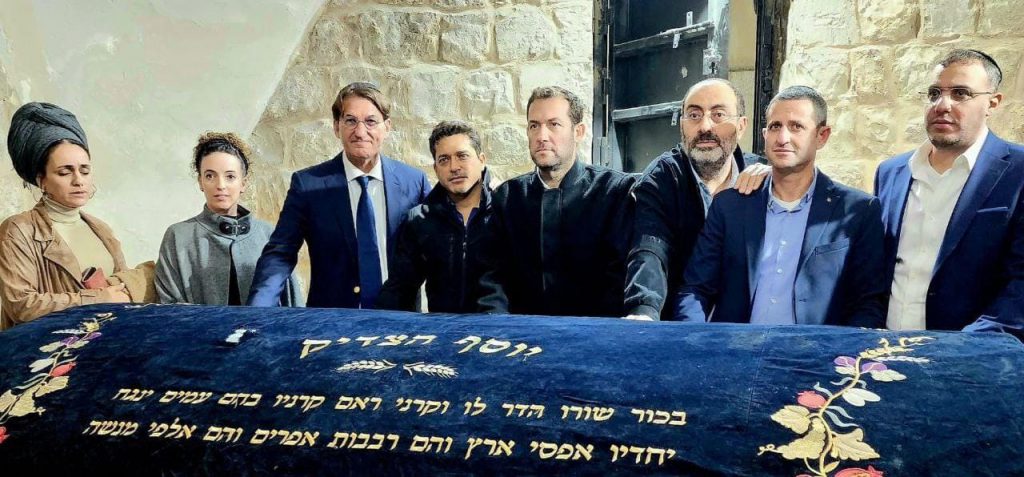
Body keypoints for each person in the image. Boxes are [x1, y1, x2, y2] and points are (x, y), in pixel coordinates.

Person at [675, 86, 886, 328]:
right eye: (775, 126)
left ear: (822, 136)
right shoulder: (730, 207)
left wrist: (839, 350)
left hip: (816, 350)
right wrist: (697, 340)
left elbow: (868, 303)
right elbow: (695, 289)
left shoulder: (857, 211)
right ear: (765, 134)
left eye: (796, 127)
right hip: (736, 347)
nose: (783, 138)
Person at [875, 49, 1024, 333]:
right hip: (885, 349)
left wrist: (964, 348)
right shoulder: (891, 173)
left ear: (992, 103)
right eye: (934, 93)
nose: (942, 105)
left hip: (973, 351)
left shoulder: (1018, 172)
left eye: (960, 93)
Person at [248, 82, 430, 309]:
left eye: (371, 121)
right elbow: (280, 254)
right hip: (332, 321)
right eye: (350, 121)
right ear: (336, 127)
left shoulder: (414, 182)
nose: (360, 132)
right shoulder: (308, 185)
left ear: (387, 127)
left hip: (400, 320)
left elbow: (438, 248)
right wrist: (257, 312)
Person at [477, 86, 636, 317]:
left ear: (578, 132)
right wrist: (499, 325)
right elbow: (492, 278)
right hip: (522, 332)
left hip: (594, 331)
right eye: (534, 126)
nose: (542, 136)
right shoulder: (507, 197)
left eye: (554, 124)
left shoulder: (614, 192)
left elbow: (622, 276)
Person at [0, 102, 154, 329]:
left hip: (105, 340)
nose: (78, 180)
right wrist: (98, 299)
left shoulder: (100, 229)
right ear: (41, 180)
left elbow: (121, 292)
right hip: (46, 346)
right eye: (65, 172)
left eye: (85, 170)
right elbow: (22, 304)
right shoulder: (18, 230)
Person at [625, 78, 768, 320]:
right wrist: (644, 309)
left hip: (744, 327)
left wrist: (780, 181)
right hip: (679, 325)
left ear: (741, 125)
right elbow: (650, 247)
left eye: (718, 115)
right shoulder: (662, 178)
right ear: (682, 125)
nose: (705, 126)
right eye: (694, 115)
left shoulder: (762, 178)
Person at [155, 132, 303, 306]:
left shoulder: (269, 235)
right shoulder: (178, 236)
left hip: (265, 325)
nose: (220, 185)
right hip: (197, 325)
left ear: (243, 183)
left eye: (230, 176)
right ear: (200, 182)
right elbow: (168, 306)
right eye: (210, 176)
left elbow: (293, 303)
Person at [377, 120, 491, 313]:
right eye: (444, 160)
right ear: (436, 169)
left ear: (482, 160)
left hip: (499, 327)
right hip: (443, 328)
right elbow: (400, 289)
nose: (454, 167)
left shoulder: (504, 211)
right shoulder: (420, 221)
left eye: (462, 156)